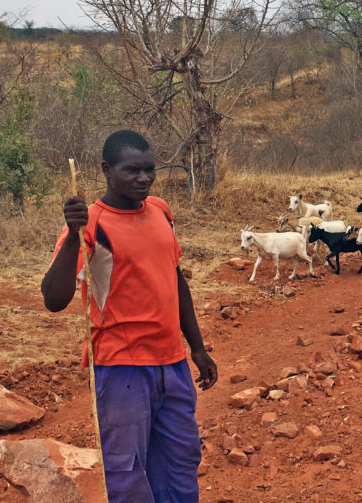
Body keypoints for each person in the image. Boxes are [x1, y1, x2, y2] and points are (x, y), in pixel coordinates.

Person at [41, 130, 217, 503]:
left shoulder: (160, 210)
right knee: (127, 472)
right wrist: (74, 236)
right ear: (106, 170)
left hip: (172, 364)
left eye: (149, 170)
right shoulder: (91, 224)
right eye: (132, 170)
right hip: (121, 368)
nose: (143, 179)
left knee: (181, 462)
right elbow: (54, 299)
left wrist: (197, 347)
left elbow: (174, 278)